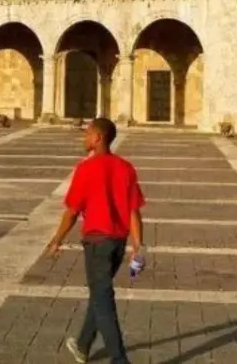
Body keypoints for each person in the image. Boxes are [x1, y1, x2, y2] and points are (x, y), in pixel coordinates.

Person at [46, 118, 144, 364]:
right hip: (118, 243)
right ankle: (82, 345)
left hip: (97, 243)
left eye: (87, 133)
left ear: (98, 138)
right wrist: (137, 246)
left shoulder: (86, 168)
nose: (84, 137)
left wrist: (57, 239)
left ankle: (119, 359)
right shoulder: (126, 167)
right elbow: (133, 211)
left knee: (103, 298)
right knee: (99, 293)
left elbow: (72, 211)